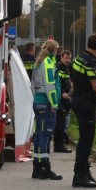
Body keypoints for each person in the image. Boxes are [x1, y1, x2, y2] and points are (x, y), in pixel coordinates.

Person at [67, 33, 96, 189]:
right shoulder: (92, 62)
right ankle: (79, 175)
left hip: (77, 100)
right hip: (86, 104)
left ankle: (85, 171)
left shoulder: (79, 57)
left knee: (85, 138)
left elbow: (76, 78)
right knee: (86, 140)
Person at [29, 38, 63, 181]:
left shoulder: (38, 63)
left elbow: (32, 85)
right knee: (45, 135)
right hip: (46, 102)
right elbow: (50, 86)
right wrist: (54, 104)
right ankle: (44, 167)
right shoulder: (48, 63)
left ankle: (37, 166)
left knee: (38, 135)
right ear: (54, 50)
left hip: (37, 102)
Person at [54, 48, 74, 154]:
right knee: (60, 124)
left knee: (62, 123)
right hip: (61, 99)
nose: (68, 60)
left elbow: (67, 81)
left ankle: (60, 143)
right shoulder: (58, 68)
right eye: (66, 58)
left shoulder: (66, 68)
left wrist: (70, 89)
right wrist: (62, 93)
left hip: (66, 98)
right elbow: (57, 82)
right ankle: (59, 145)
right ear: (61, 57)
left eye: (69, 58)